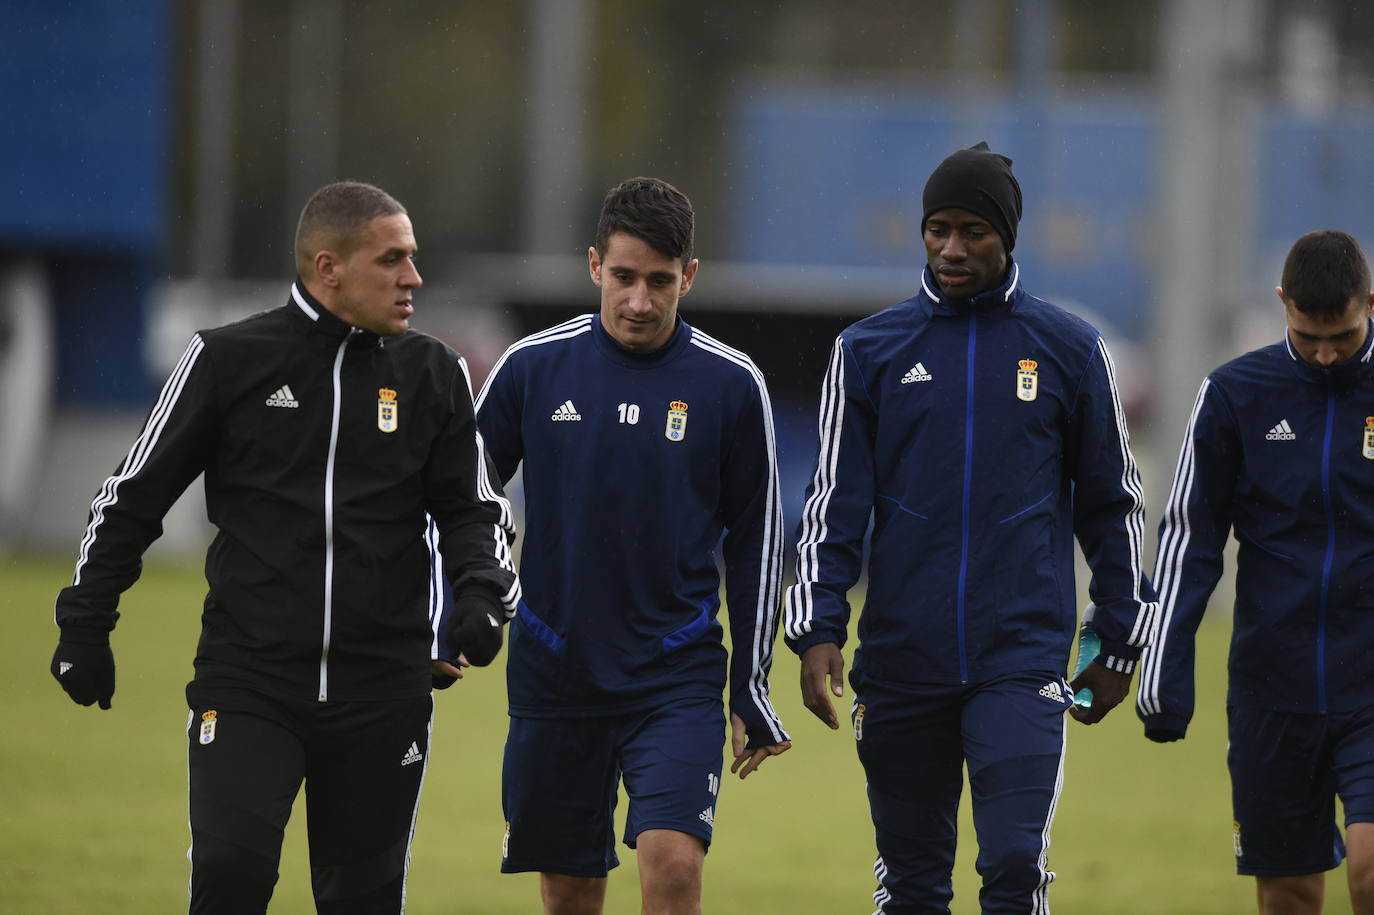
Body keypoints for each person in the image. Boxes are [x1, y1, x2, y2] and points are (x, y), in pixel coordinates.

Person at [48, 180, 520, 914]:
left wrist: (483, 595)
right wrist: (85, 621)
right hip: (250, 679)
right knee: (231, 872)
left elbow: (473, 509)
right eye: (392, 260)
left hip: (384, 688)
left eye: (414, 259)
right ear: (328, 267)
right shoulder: (228, 360)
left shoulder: (435, 372)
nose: (413, 279)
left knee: (363, 898)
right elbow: (132, 495)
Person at [783, 142, 1157, 913]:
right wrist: (817, 626)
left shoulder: (1069, 349)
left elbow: (1112, 503)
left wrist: (1117, 633)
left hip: (1019, 661)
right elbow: (833, 506)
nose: (952, 248)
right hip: (900, 665)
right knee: (914, 886)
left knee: (1014, 865)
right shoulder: (868, 352)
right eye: (938, 228)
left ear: (1007, 237)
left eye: (973, 231)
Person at [472, 176, 790, 915]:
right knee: (572, 890)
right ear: (593, 266)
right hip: (556, 666)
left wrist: (751, 678)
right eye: (623, 278)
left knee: (673, 864)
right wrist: (462, 604)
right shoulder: (531, 368)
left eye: (659, 281)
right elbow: (463, 497)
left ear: (689, 276)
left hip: (673, 673)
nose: (639, 301)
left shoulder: (731, 383)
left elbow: (757, 539)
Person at [1138, 229, 1374, 915]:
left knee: (1369, 870)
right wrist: (1164, 666)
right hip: (1273, 687)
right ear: (1282, 304)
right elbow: (1190, 537)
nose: (1325, 353)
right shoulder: (1237, 395)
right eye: (1307, 337)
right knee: (1290, 897)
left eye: (1345, 336)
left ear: (1371, 305)